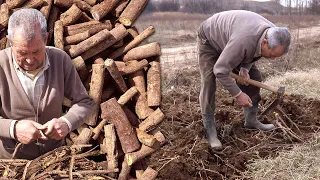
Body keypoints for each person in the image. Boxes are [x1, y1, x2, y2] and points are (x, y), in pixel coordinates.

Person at [0, 9, 95, 159]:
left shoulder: (60, 59)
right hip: (10, 163)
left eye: (36, 51)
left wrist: (66, 122)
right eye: (22, 53)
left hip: (53, 159)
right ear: (10, 42)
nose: (30, 60)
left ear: (46, 38)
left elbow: (85, 102)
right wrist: (13, 129)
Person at [197, 10, 291, 149]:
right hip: (210, 40)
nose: (272, 59)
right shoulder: (244, 40)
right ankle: (210, 130)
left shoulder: (272, 32)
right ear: (265, 42)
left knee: (254, 76)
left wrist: (245, 69)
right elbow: (220, 70)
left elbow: (255, 51)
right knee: (209, 81)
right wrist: (238, 94)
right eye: (272, 55)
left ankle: (251, 121)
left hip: (234, 39)